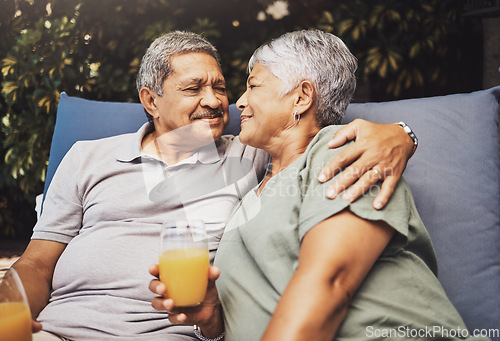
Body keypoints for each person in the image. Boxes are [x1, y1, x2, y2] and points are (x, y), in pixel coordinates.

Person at [13, 31, 415, 341]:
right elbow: (34, 264)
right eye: (193, 89)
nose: (219, 101)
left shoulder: (248, 152)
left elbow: (304, 138)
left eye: (221, 87)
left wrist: (402, 134)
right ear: (151, 101)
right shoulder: (88, 156)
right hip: (58, 329)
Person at [149, 30, 481, 341]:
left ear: (301, 98)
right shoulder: (251, 189)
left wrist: (404, 134)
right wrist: (214, 319)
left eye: (254, 87)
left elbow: (330, 284)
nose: (239, 102)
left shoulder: (341, 153)